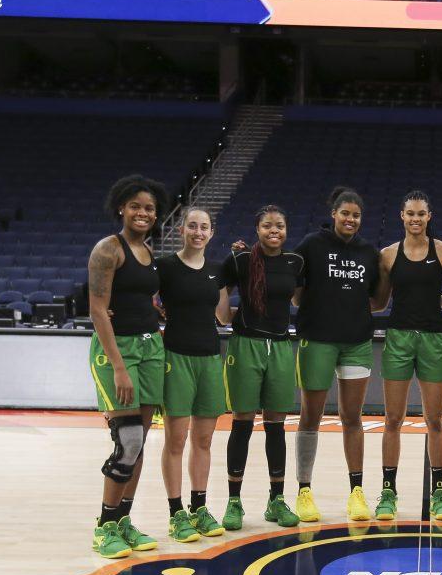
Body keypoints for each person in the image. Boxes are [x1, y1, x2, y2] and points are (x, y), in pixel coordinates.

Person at [86, 174, 169, 559]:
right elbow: (98, 310)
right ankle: (104, 528)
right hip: (116, 351)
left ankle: (123, 521)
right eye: (135, 205)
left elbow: (141, 297)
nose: (143, 213)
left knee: (139, 445)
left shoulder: (150, 253)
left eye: (149, 208)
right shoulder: (108, 249)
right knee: (128, 441)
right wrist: (118, 367)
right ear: (121, 207)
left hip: (151, 347)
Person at [371, 190, 442, 521]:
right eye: (410, 213)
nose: (415, 218)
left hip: (432, 338)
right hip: (397, 338)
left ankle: (439, 491)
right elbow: (380, 302)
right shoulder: (386, 255)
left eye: (421, 213)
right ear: (402, 215)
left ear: (429, 216)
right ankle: (388, 491)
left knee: (435, 420)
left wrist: (432, 304)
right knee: (392, 420)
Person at [292, 187, 382, 522]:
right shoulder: (311, 245)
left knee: (352, 418)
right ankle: (304, 490)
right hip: (317, 340)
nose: (350, 219)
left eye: (356, 215)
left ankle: (356, 492)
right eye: (345, 213)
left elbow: (377, 300)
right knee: (310, 417)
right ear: (334, 214)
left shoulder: (368, 253)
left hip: (356, 342)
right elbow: (297, 296)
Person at [218, 205, 304, 531]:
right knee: (242, 422)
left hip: (281, 347)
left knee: (276, 425)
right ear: (257, 228)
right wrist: (224, 316)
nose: (274, 231)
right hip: (245, 345)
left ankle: (276, 500)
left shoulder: (295, 263)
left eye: (279, 226)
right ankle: (234, 501)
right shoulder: (240, 260)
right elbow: (216, 283)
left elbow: (299, 299)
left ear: (286, 230)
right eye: (267, 225)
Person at [157, 207, 228, 544]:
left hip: (211, 359)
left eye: (205, 227)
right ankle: (175, 513)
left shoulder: (216, 271)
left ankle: (199, 507)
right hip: (176, 358)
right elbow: (142, 296)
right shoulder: (167, 267)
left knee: (203, 440)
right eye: (193, 226)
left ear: (211, 233)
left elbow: (225, 315)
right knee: (176, 440)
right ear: (182, 230)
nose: (198, 232)